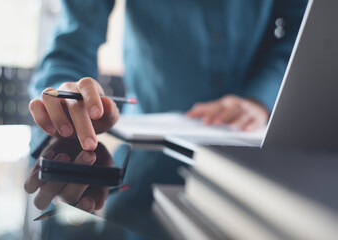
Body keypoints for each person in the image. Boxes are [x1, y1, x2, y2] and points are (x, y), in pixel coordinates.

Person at [29, 0, 307, 151]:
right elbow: (71, 46)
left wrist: (262, 97)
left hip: (256, 147)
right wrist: (68, 97)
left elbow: (303, 32)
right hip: (145, 165)